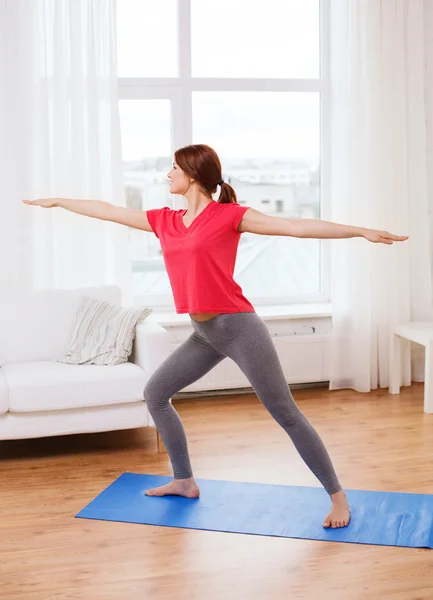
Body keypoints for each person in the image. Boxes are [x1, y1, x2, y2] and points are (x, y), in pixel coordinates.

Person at [23, 144, 408, 529]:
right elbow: (108, 211)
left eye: (173, 168)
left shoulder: (229, 217)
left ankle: (338, 497)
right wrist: (59, 201)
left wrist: (360, 231)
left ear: (192, 174)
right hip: (204, 333)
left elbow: (295, 227)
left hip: (239, 328)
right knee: (155, 394)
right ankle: (184, 479)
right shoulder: (166, 220)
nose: (167, 174)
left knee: (285, 412)